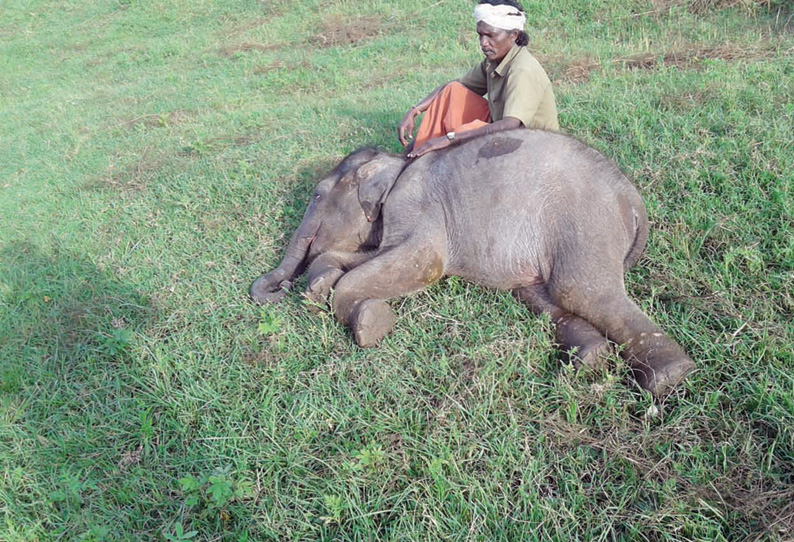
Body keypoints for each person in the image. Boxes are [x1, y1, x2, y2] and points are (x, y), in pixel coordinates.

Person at [398, 0, 558, 158]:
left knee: (464, 133)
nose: (483, 43)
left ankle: (429, 157)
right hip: (501, 126)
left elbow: (511, 125)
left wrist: (451, 138)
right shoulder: (494, 61)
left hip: (530, 145)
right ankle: (421, 153)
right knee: (452, 91)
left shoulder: (523, 70)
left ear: (514, 35)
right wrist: (415, 110)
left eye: (491, 35)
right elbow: (455, 86)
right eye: (480, 35)